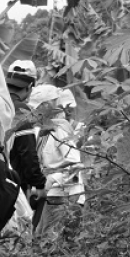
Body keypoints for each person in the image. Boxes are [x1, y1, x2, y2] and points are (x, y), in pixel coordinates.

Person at [29, 85, 85, 240]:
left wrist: (52, 180)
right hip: (51, 196)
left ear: (46, 106)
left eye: (37, 108)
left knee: (50, 244)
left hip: (66, 196)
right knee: (42, 240)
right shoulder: (42, 131)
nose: (33, 112)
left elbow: (76, 166)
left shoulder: (60, 129)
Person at [4, 61, 47, 230]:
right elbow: (27, 154)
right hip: (13, 185)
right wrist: (40, 184)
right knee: (19, 233)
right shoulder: (22, 111)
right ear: (29, 87)